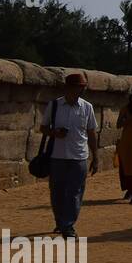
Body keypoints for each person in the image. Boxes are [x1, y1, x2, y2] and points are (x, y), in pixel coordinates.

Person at [39, 72, 100, 238]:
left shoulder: (87, 107)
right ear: (68, 87)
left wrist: (95, 156)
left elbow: (91, 133)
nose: (80, 90)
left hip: (79, 156)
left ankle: (68, 225)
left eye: (82, 87)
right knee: (57, 192)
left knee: (75, 192)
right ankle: (60, 221)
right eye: (77, 87)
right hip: (57, 156)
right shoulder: (55, 105)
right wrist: (55, 133)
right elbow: (43, 128)